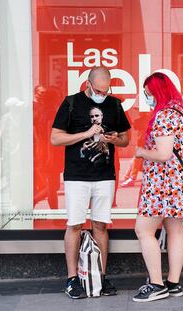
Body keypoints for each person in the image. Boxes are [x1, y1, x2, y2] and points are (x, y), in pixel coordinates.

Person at [50, 66, 131, 299]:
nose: (102, 95)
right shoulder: (71, 103)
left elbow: (125, 139)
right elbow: (56, 138)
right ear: (88, 84)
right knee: (75, 224)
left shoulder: (114, 105)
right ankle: (72, 279)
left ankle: (100, 277)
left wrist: (115, 138)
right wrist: (85, 134)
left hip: (105, 175)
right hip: (77, 175)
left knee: (101, 225)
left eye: (106, 91)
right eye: (98, 91)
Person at [133, 72, 183, 302]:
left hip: (163, 186)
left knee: (143, 230)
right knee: (174, 231)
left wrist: (141, 152)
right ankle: (173, 283)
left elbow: (163, 154)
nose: (147, 97)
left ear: (157, 92)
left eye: (148, 93)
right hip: (181, 186)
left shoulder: (164, 115)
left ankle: (157, 285)